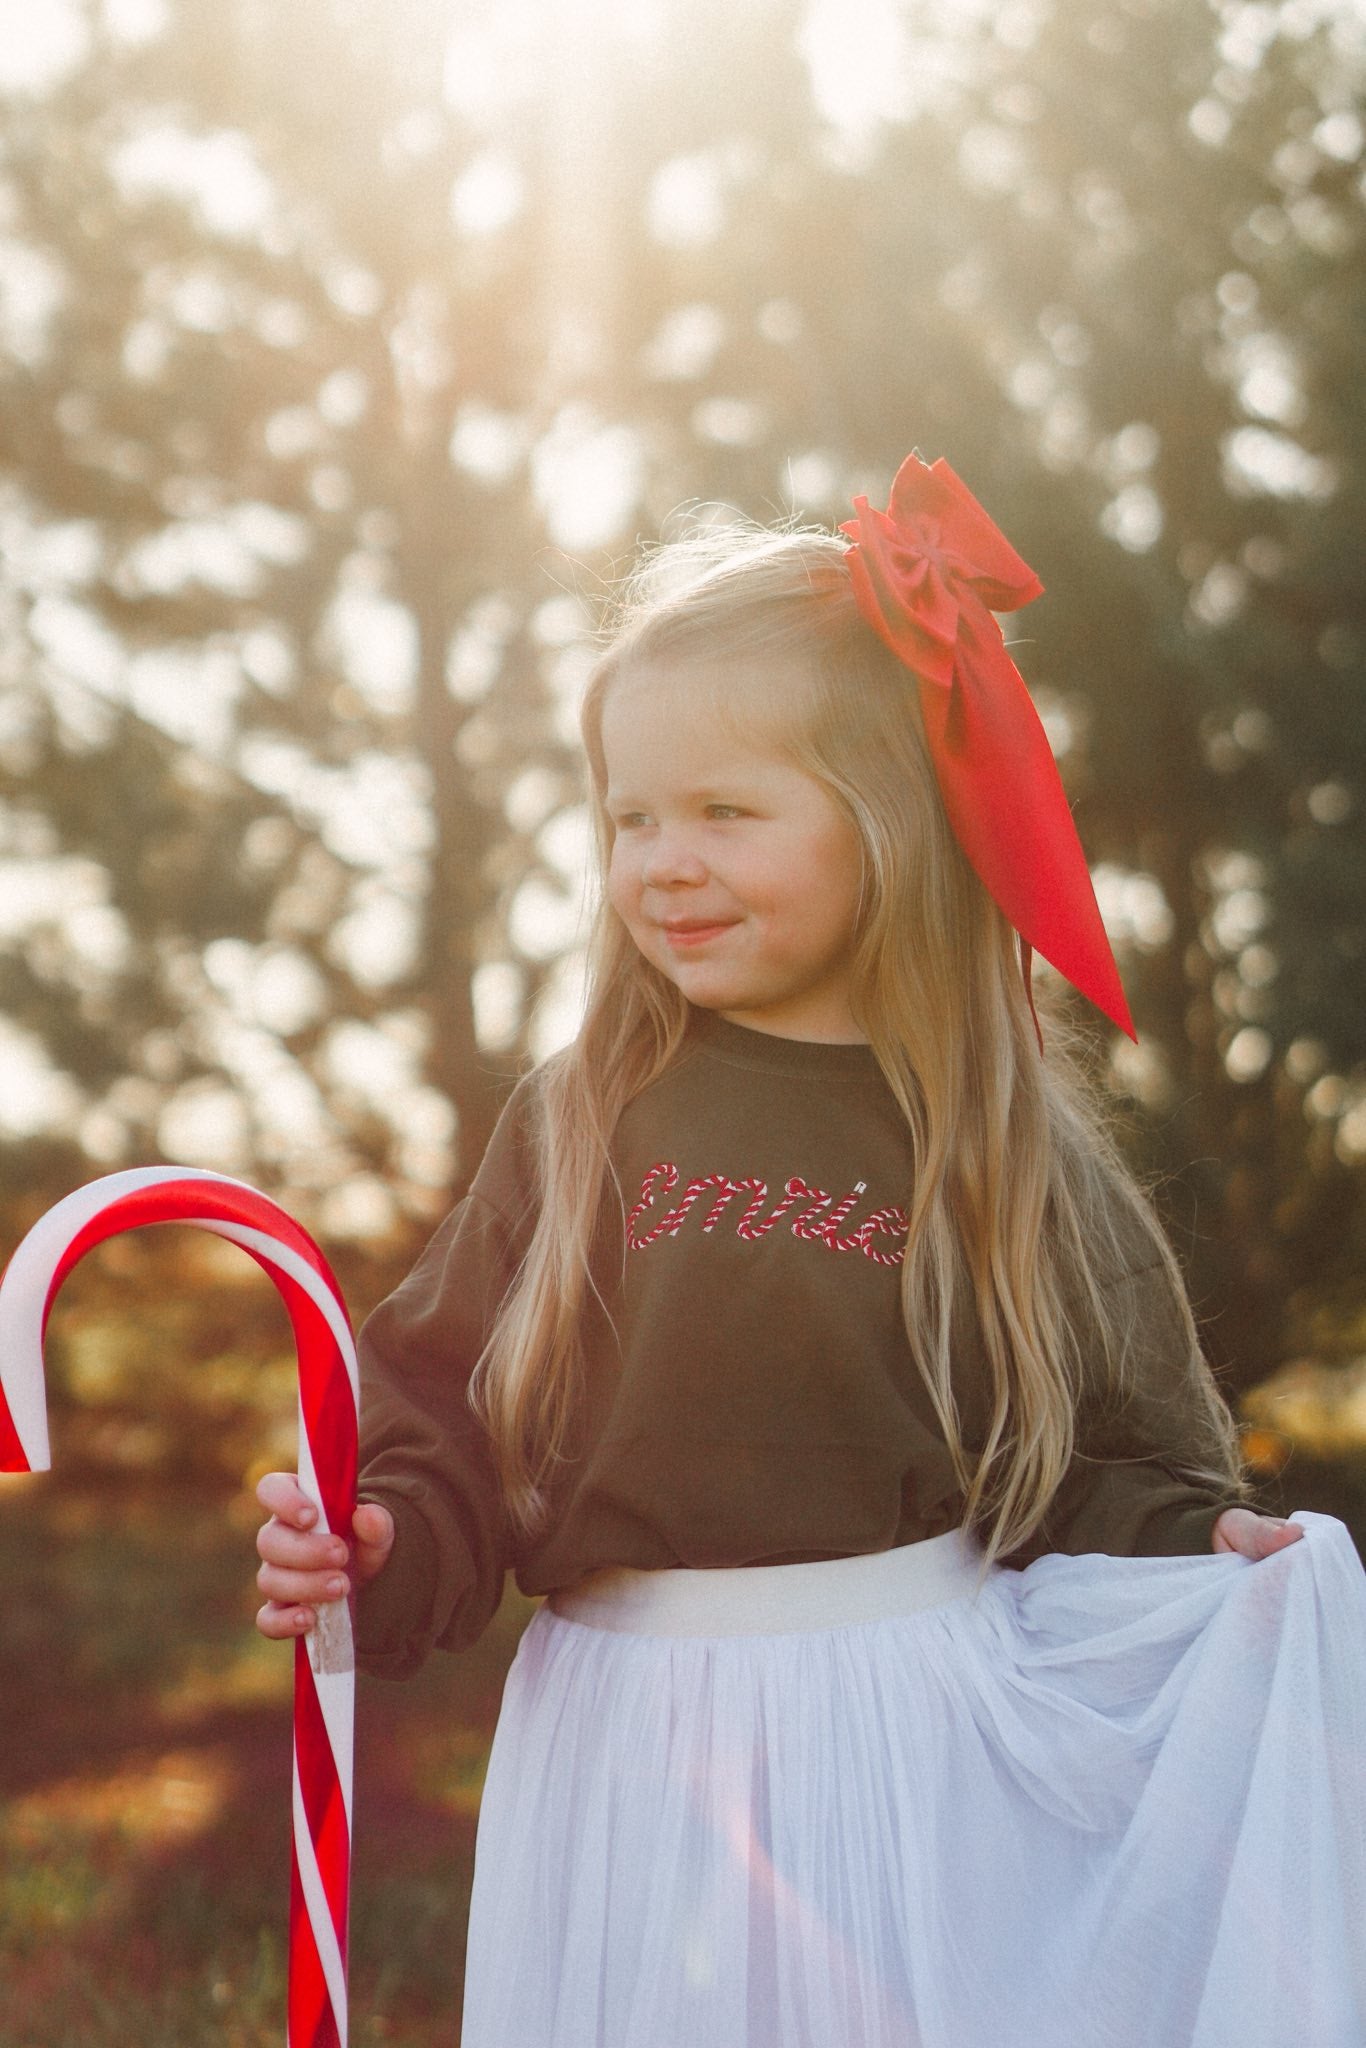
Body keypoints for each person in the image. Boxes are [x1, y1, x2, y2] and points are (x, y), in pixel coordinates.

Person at [254, 453, 1366, 2048]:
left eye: (724, 810)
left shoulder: (997, 1142)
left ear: (887, 828)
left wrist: (1203, 1553)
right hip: (622, 1733)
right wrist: (380, 1540)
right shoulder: (583, 1124)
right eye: (630, 816)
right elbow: (440, 1406)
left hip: (906, 1743)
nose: (661, 860)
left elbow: (1089, 1464)